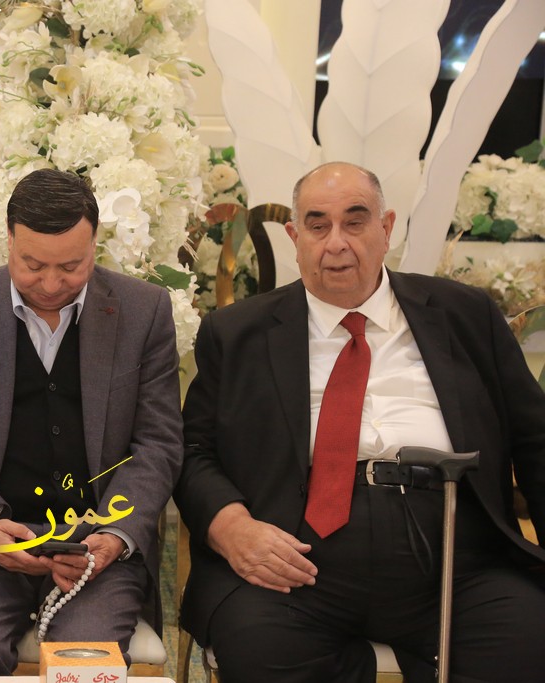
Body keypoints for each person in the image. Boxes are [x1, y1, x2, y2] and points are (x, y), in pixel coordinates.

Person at [176, 161, 545, 683]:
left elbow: (536, 440)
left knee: (529, 644)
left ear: (386, 228)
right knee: (257, 649)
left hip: (454, 557)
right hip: (297, 561)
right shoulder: (236, 333)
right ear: (295, 238)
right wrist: (231, 526)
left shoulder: (464, 314)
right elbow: (192, 451)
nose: (336, 243)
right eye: (318, 225)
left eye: (355, 222)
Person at [0, 168, 183, 673]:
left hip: (94, 542)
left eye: (72, 266)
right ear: (8, 241)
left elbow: (158, 445)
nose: (51, 284)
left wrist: (115, 534)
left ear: (95, 244)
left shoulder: (144, 311)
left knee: (84, 661)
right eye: (32, 265)